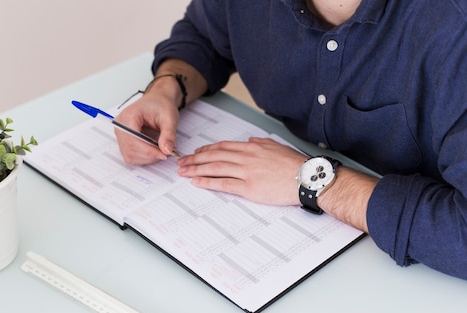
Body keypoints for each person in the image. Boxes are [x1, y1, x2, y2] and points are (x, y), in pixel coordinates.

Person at [114, 0, 467, 279]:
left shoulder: (454, 27)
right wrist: (167, 87)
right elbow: (203, 36)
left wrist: (315, 181)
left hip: (410, 270)